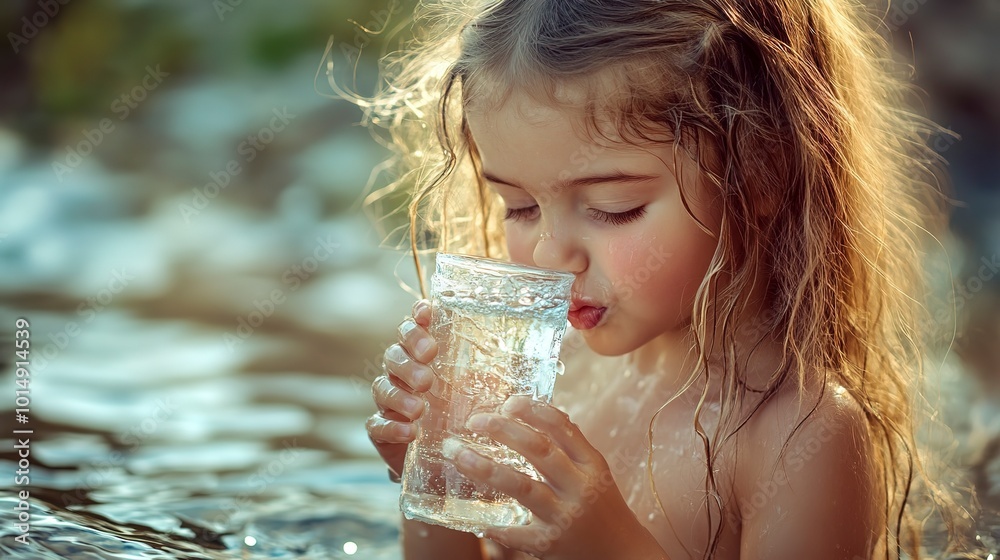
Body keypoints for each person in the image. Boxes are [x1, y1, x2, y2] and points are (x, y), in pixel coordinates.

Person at [346, 0, 971, 558]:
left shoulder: (797, 436)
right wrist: (438, 483)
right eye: (520, 207)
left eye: (613, 209)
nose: (547, 254)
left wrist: (610, 550)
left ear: (758, 174)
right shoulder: (554, 374)